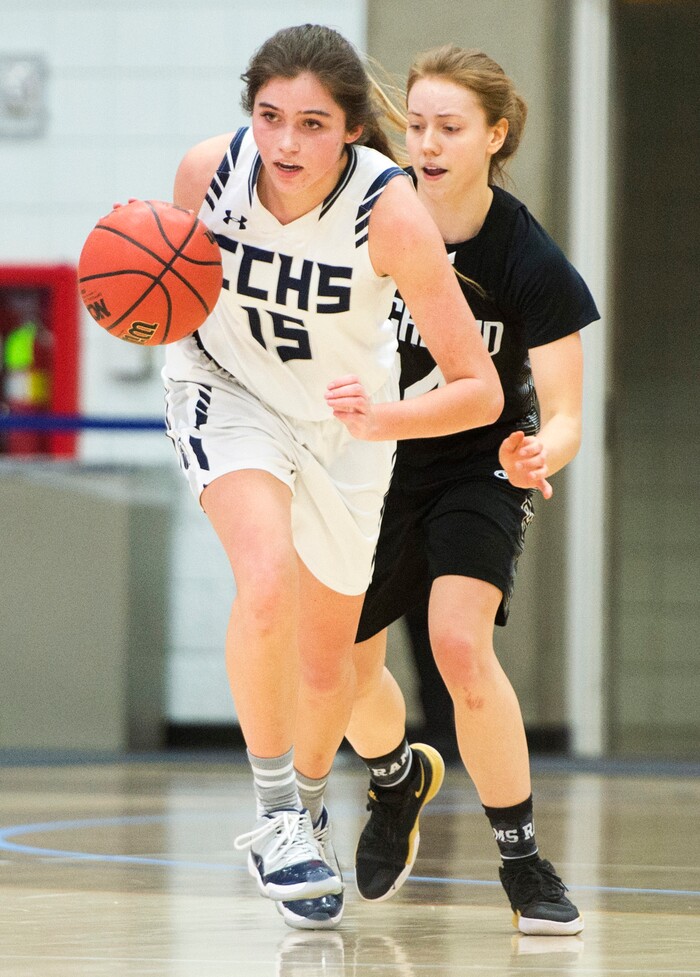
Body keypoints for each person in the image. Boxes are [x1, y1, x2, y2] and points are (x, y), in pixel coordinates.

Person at [161, 25, 502, 932]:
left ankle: (330, 795)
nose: (284, 143)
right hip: (227, 392)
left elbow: (479, 388)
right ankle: (280, 816)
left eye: (312, 123)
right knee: (262, 576)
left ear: (351, 130)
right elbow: (170, 293)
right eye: (270, 116)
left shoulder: (390, 213)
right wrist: (136, 303)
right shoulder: (208, 172)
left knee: (333, 667)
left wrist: (383, 418)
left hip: (349, 430)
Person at [339, 45, 600, 936]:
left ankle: (523, 862)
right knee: (341, 669)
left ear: (496, 135)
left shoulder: (527, 257)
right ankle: (396, 774)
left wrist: (542, 454)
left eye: (450, 128)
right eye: (416, 125)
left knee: (456, 643)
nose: (428, 143)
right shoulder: (368, 218)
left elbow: (565, 411)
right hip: (370, 464)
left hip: (477, 466)